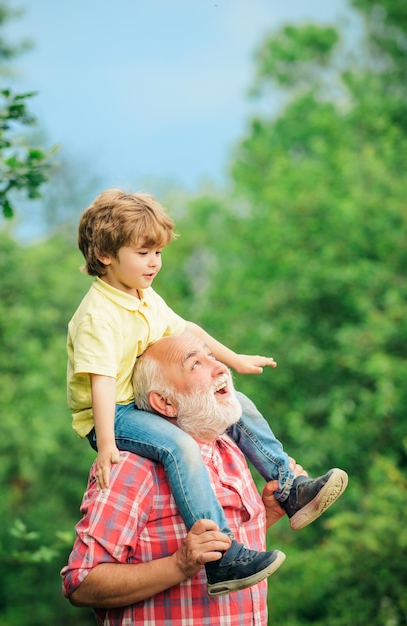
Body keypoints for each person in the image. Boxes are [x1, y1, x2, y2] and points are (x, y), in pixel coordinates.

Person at [67, 188, 348, 594]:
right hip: (112, 412)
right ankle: (223, 557)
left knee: (238, 405)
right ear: (107, 255)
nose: (155, 263)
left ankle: (290, 488)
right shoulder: (99, 315)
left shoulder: (141, 295)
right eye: (143, 253)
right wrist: (108, 443)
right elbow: (102, 381)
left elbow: (189, 330)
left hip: (139, 404)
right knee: (180, 446)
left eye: (159, 253)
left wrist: (234, 359)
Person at [62, 334, 309, 624]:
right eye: (195, 365)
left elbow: (214, 549)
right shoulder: (131, 466)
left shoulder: (229, 451)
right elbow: (81, 582)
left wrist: (265, 515)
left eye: (211, 356)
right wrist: (179, 565)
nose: (219, 368)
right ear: (165, 403)